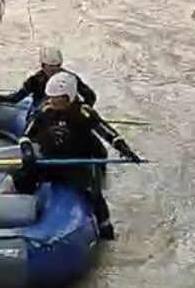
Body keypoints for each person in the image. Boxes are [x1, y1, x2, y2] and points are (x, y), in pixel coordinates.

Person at [12, 71, 140, 241]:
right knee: (23, 178)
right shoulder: (44, 111)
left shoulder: (83, 112)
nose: (54, 102)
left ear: (70, 96)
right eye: (52, 97)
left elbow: (106, 132)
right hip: (52, 160)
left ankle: (106, 229)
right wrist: (28, 152)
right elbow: (26, 135)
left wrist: (124, 148)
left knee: (94, 194)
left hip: (79, 162)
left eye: (59, 98)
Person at [0, 46, 98, 111]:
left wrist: (84, 109)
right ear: (43, 66)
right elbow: (15, 98)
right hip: (41, 113)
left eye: (57, 67)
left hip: (67, 111)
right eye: (51, 67)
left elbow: (90, 96)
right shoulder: (35, 80)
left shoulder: (70, 79)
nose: (54, 71)